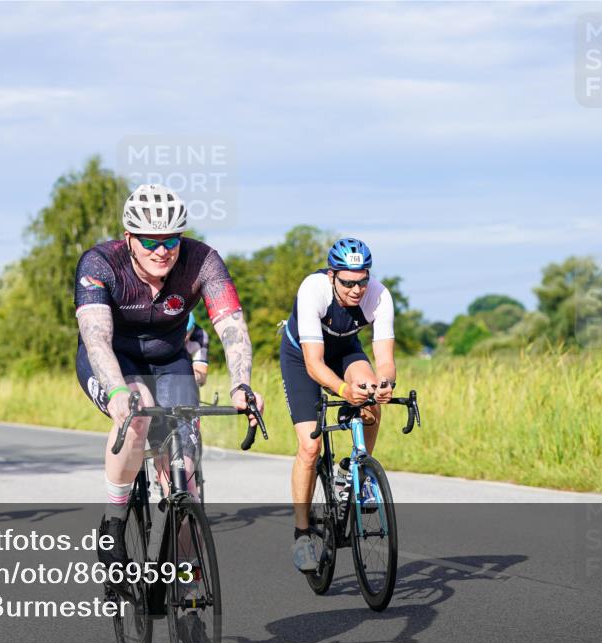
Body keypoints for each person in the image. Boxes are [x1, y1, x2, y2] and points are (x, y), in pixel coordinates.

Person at [74, 183, 264, 567]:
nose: (162, 250)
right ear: (129, 239)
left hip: (171, 360)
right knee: (137, 413)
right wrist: (114, 393)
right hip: (115, 360)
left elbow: (231, 327)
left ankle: (187, 580)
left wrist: (241, 384)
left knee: (184, 475)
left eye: (171, 240)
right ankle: (114, 519)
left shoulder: (203, 261)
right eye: (150, 242)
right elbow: (96, 339)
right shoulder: (100, 263)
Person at [280, 237, 396, 572]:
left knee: (373, 396)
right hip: (303, 358)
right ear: (332, 275)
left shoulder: (380, 295)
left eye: (362, 280)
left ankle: (356, 474)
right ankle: (302, 533)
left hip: (345, 350)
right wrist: (344, 390)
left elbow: (385, 360)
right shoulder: (313, 289)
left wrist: (385, 383)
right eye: (348, 282)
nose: (357, 289)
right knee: (310, 446)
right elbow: (315, 364)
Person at [184, 312, 210, 388]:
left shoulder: (201, 335)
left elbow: (201, 379)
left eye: (187, 332)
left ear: (193, 327)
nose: (184, 336)